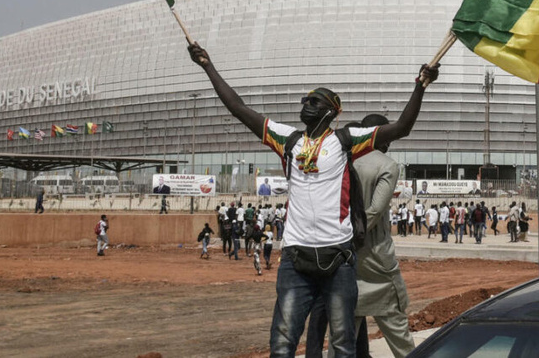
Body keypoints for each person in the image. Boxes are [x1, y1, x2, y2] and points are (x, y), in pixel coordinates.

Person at [188, 41, 439, 358]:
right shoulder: (287, 140)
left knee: (343, 345)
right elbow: (239, 109)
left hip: (339, 262)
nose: (306, 105)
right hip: (295, 260)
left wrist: (420, 87)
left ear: (332, 111)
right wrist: (208, 66)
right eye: (305, 100)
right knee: (282, 344)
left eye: (314, 101)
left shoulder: (347, 140)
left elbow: (401, 127)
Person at [307, 114, 417, 358]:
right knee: (398, 331)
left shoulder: (343, 161)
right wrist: (354, 232)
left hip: (344, 258)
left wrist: (339, 236)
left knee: (343, 334)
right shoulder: (387, 165)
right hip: (378, 260)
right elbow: (376, 211)